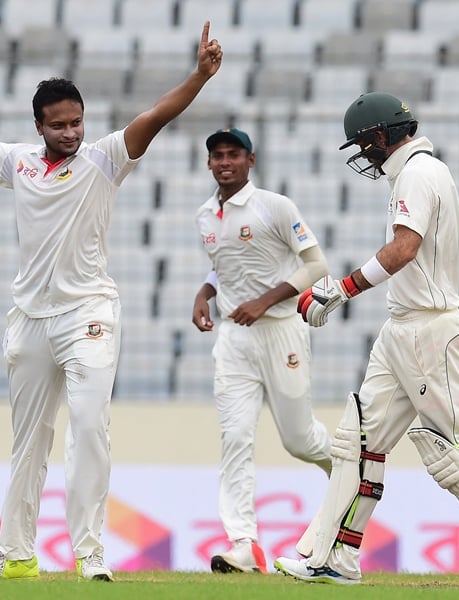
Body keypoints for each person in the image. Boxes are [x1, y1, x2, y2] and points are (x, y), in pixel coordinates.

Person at [0, 23, 223, 581]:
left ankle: (90, 554)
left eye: (76, 122)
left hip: (88, 313)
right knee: (30, 440)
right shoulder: (18, 161)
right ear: (38, 125)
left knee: (89, 428)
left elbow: (155, 116)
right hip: (29, 319)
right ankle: (14, 554)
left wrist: (199, 76)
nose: (70, 133)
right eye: (59, 125)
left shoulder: (104, 158)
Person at [273, 92, 459, 588]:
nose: (363, 155)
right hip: (401, 328)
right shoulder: (417, 172)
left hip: (430, 329)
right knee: (359, 441)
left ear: (383, 135)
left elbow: (405, 247)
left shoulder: (418, 173)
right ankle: (334, 557)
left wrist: (341, 289)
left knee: (449, 450)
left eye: (364, 144)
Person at [192, 128, 333, 574]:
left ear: (250, 160)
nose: (225, 162)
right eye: (217, 155)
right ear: (209, 163)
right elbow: (226, 263)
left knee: (299, 440)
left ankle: (353, 469)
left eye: (233, 154)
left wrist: (265, 301)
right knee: (235, 438)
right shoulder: (205, 216)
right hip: (234, 341)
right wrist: (205, 291)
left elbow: (317, 265)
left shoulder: (274, 206)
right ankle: (244, 544)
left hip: (280, 331)